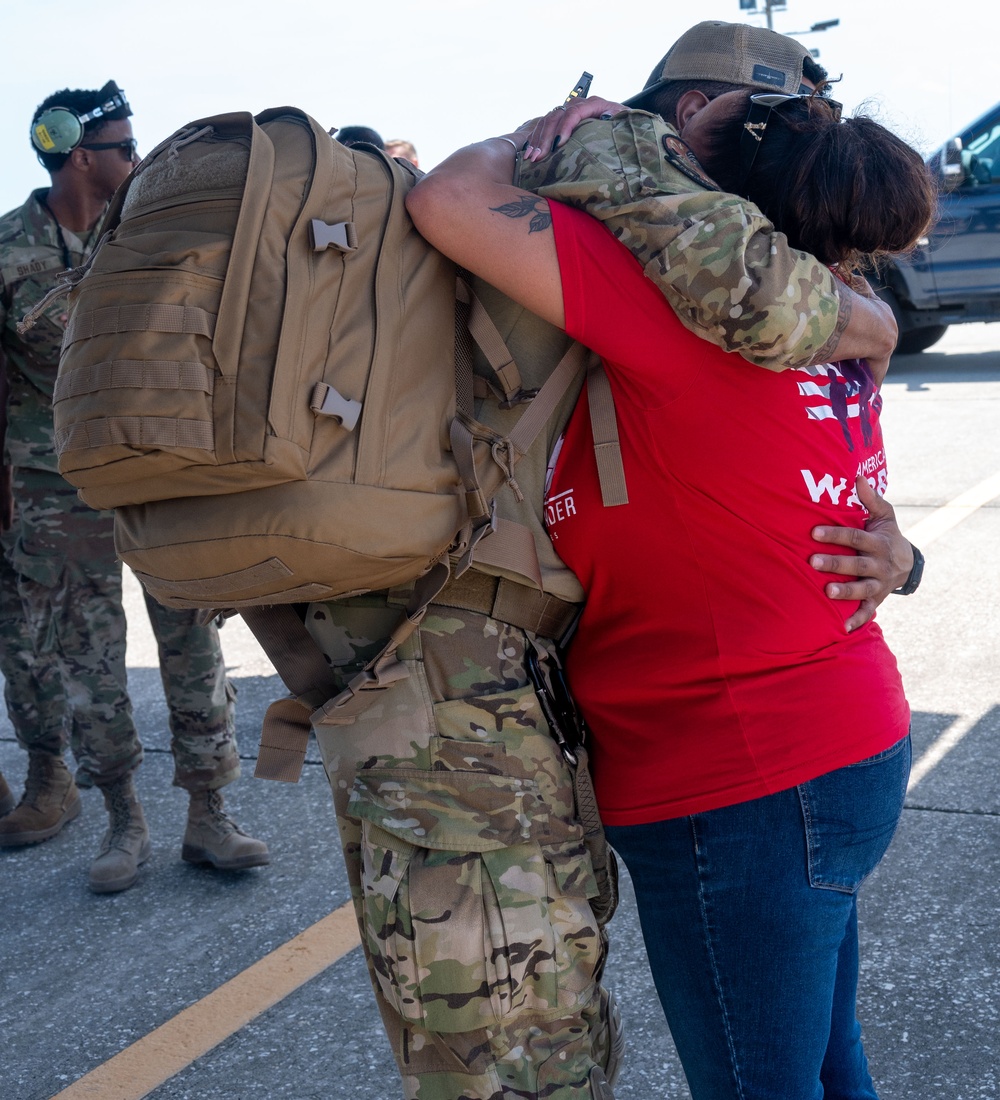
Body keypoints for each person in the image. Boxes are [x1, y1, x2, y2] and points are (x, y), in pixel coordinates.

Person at [301, 32, 918, 1100]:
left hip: (736, 775)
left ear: (687, 132)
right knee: (822, 1059)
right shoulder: (824, 311)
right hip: (830, 744)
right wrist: (900, 561)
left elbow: (449, 202)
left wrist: (546, 133)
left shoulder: (680, 310)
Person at [0, 82, 269, 892]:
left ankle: (209, 815)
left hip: (159, 471)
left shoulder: (156, 228)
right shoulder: (9, 249)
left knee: (191, 636)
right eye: (122, 147)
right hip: (53, 482)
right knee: (86, 655)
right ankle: (122, 818)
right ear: (79, 155)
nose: (136, 157)